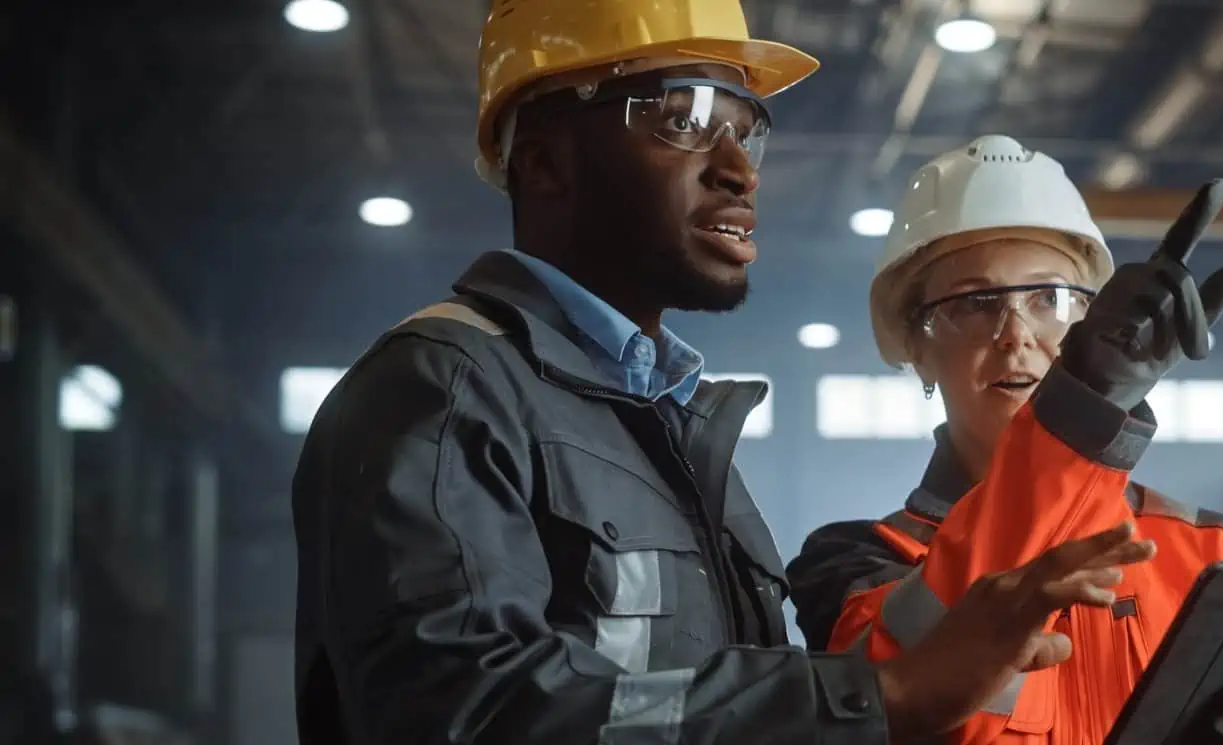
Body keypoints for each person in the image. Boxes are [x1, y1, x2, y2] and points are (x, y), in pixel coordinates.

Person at [289, 4, 1161, 745]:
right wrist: (879, 697)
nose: (739, 169)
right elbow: (463, 712)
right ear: (546, 161)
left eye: (745, 128)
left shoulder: (673, 433)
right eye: (681, 117)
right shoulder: (445, 392)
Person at [786, 135, 1223, 745]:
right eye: (975, 303)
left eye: (1049, 299)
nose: (1017, 335)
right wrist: (1082, 407)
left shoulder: (1222, 554)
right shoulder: (858, 566)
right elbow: (893, 696)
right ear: (918, 350)